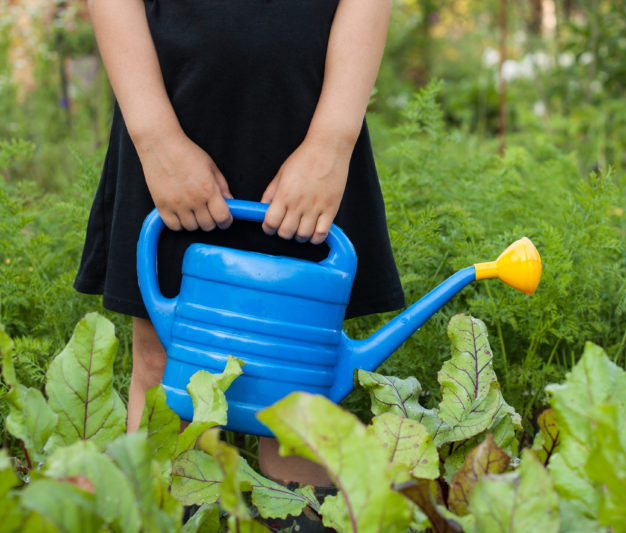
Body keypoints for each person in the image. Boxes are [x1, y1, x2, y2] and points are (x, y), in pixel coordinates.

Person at [75, 0, 403, 498]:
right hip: (170, 113)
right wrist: (156, 139)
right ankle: (166, 517)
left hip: (307, 119)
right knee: (167, 362)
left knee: (298, 378)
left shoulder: (322, 141)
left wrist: (331, 144)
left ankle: (301, 521)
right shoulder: (159, 136)